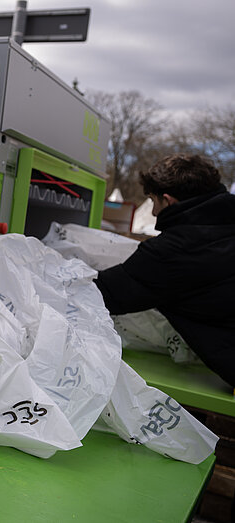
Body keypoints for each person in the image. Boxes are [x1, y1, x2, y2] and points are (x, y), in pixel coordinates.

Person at [95, 153, 235, 387]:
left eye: (152, 201)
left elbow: (105, 294)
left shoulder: (172, 250)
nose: (151, 213)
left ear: (168, 201)